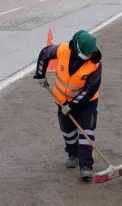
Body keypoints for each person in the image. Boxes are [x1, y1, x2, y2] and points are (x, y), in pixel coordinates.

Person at [34, 30, 102, 182]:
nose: (88, 56)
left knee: (86, 133)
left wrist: (73, 105)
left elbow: (91, 88)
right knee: (68, 131)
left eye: (90, 53)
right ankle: (73, 155)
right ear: (77, 49)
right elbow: (45, 53)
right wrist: (40, 75)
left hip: (87, 103)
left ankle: (86, 167)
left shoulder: (95, 63)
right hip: (61, 100)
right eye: (86, 54)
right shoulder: (63, 50)